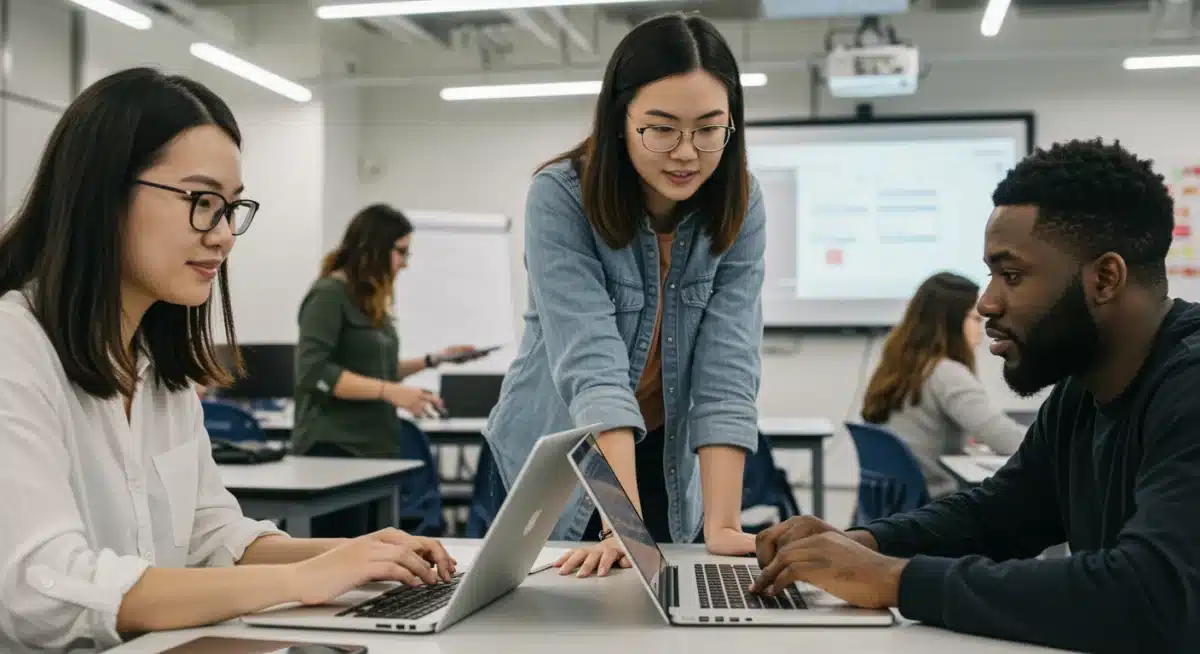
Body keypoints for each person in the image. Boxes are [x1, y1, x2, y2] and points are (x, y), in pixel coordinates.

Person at [0, 68, 455, 653]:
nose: (223, 236)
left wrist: (350, 555)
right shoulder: (16, 347)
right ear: (103, 191)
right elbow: (46, 589)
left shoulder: (159, 372)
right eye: (202, 202)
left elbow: (211, 535)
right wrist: (297, 580)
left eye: (231, 209)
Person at [750, 139, 1200, 653]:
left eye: (1011, 275)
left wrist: (895, 579)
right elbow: (1000, 513)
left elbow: (1153, 594)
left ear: (1105, 278)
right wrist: (864, 544)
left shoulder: (1188, 387)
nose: (986, 303)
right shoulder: (1082, 391)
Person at [483, 11, 766, 578]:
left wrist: (724, 523)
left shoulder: (740, 202)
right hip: (559, 455)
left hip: (661, 454)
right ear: (619, 120)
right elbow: (593, 366)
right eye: (661, 128)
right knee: (538, 623)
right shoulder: (560, 197)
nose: (687, 152)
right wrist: (622, 523)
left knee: (659, 612)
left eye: (709, 129)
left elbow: (727, 366)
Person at [292, 203, 484, 461]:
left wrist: (434, 359)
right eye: (401, 252)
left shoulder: (369, 301)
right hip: (334, 448)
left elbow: (379, 371)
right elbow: (313, 372)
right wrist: (390, 391)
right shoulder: (328, 295)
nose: (404, 264)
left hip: (376, 447)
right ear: (373, 248)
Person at [860, 271, 1025, 498]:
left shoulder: (896, 367)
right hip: (935, 509)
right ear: (952, 320)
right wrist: (1058, 443)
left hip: (894, 509)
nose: (983, 329)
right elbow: (1008, 440)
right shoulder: (946, 373)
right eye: (975, 319)